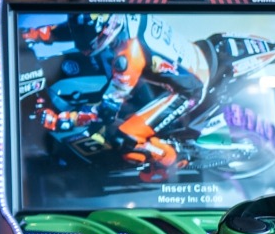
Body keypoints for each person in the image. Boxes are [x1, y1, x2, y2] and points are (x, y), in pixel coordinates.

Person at [30, 13, 211, 182]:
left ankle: (171, 158)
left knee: (124, 138)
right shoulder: (116, 17)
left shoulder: (128, 55)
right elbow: (83, 25)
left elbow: (105, 113)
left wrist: (62, 121)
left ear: (108, 29)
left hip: (188, 91)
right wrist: (37, 33)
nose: (82, 42)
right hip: (186, 62)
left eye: (86, 37)